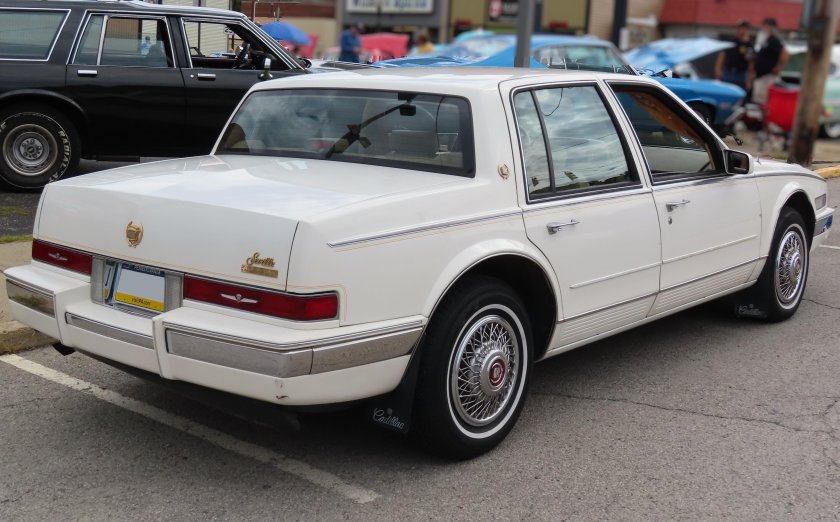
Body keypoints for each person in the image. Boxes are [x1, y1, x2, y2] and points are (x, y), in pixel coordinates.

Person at [752, 17, 789, 105]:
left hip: (768, 76)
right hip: (761, 75)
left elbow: (785, 53)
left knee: (765, 101)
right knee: (759, 101)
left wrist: (779, 67)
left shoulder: (774, 40)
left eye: (766, 26)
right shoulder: (765, 41)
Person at [714, 20, 753, 91]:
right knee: (726, 91)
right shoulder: (731, 42)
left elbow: (750, 61)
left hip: (741, 73)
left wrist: (749, 79)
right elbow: (722, 56)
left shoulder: (749, 45)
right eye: (741, 28)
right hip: (729, 71)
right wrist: (718, 69)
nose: (742, 31)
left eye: (745, 29)